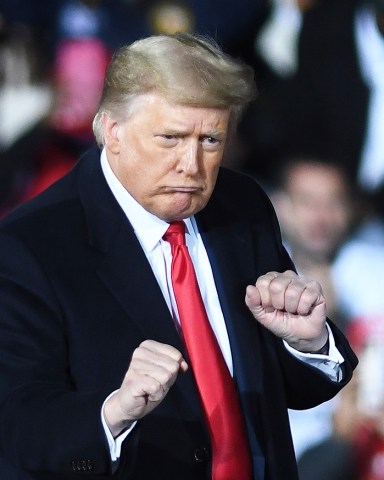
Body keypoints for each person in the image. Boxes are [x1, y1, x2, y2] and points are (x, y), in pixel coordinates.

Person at [0, 32, 357, 480]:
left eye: (211, 140)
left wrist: (306, 343)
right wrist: (113, 411)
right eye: (171, 137)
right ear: (113, 130)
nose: (192, 164)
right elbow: (17, 425)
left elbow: (282, 391)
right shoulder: (30, 246)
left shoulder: (241, 205)